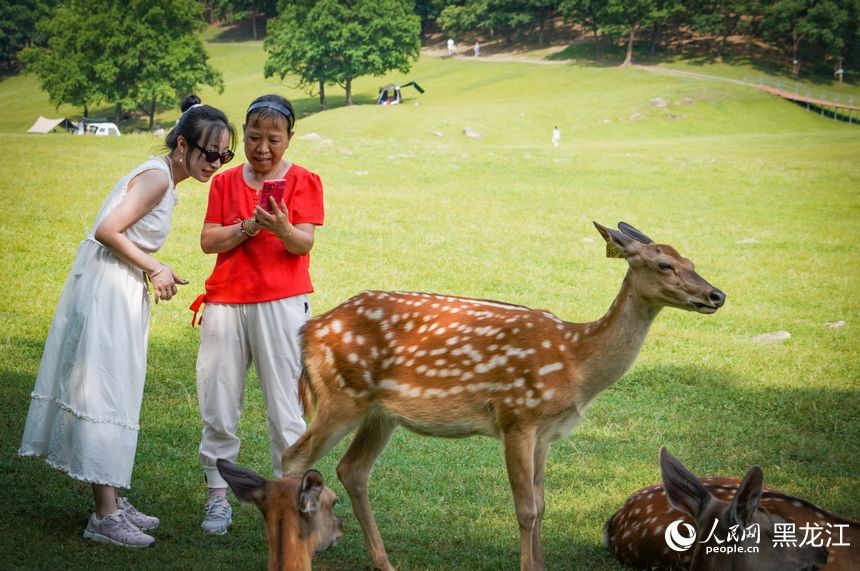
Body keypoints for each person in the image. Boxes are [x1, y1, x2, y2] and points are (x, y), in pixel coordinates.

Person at [18, 95, 237, 548]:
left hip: (116, 283)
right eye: (208, 152)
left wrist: (152, 267)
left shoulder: (163, 174)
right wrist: (154, 268)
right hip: (107, 288)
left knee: (115, 386)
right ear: (181, 144)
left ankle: (112, 499)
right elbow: (107, 229)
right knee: (106, 387)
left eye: (224, 154)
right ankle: (104, 516)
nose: (216, 162)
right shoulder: (158, 177)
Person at [191, 94, 325, 535]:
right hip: (227, 304)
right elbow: (209, 241)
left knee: (286, 408)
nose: (263, 148)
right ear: (243, 136)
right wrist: (249, 226)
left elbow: (303, 244)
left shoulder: (305, 180)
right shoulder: (226, 182)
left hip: (282, 305)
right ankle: (217, 497)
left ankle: (293, 504)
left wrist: (281, 227)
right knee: (218, 401)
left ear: (289, 138)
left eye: (274, 139)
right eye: (253, 138)